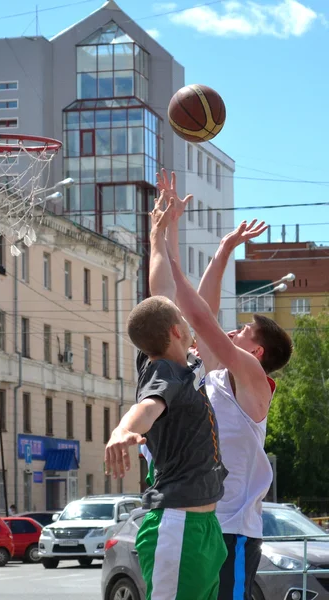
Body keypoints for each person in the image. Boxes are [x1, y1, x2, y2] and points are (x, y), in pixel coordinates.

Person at [105, 193, 280, 600]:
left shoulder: (202, 370)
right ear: (175, 334)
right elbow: (147, 406)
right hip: (184, 518)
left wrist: (163, 236)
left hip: (209, 523)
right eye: (184, 322)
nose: (224, 332)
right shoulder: (169, 370)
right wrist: (123, 429)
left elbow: (190, 308)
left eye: (241, 334)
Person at [154, 169, 293, 600]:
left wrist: (171, 251)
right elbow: (187, 310)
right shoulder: (213, 373)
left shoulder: (253, 381)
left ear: (258, 353)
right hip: (197, 518)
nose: (230, 333)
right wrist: (217, 248)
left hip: (232, 528)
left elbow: (200, 318)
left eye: (242, 333)